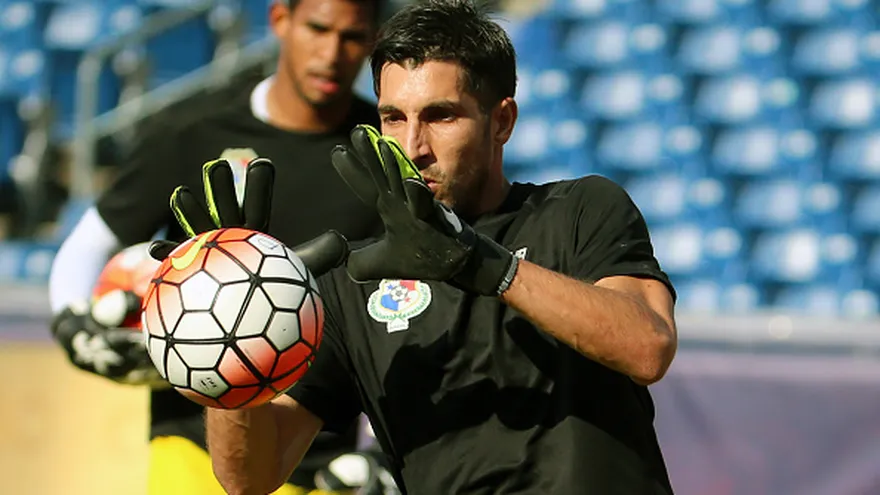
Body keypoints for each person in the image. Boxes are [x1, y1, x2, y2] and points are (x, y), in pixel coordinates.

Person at [161, 1, 680, 493]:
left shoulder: (580, 208)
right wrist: (228, 348)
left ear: (502, 121)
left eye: (440, 115)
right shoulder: (351, 283)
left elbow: (647, 347)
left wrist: (485, 265)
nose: (414, 147)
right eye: (393, 117)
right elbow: (250, 478)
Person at [47, 0, 386, 493]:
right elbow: (91, 241)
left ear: (373, 40)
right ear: (279, 20)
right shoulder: (191, 132)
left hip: (325, 460)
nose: (332, 52)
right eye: (318, 28)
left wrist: (382, 448)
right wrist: (71, 325)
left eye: (352, 36)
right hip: (191, 445)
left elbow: (404, 309)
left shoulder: (379, 149)